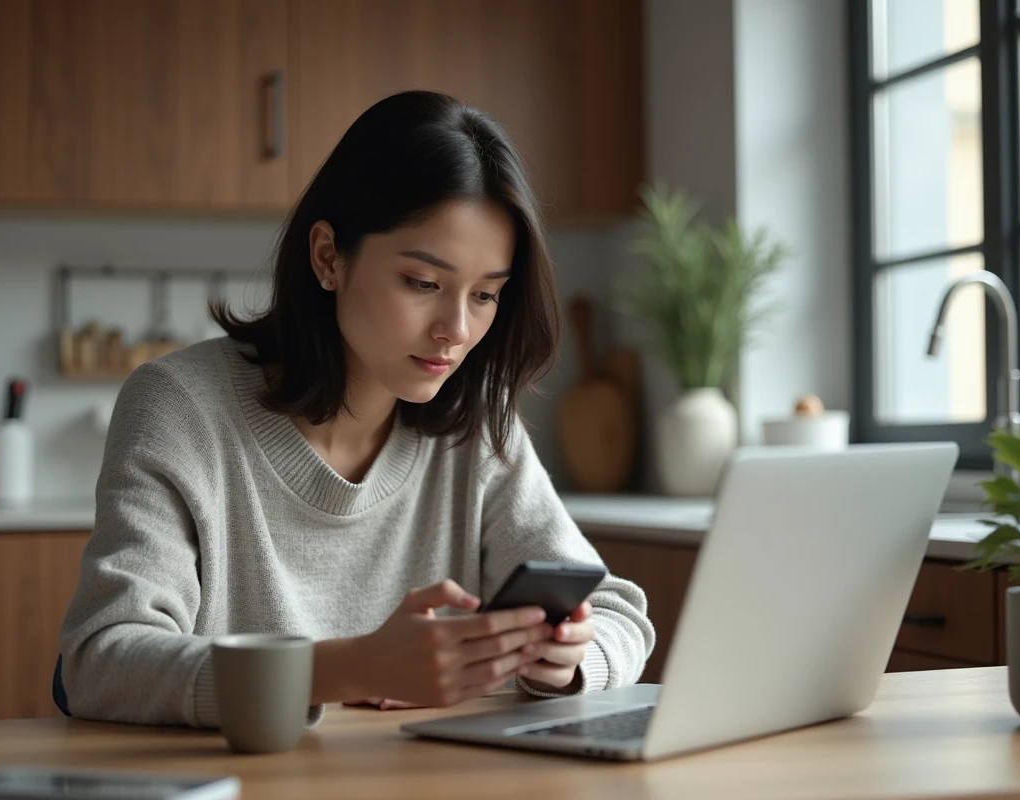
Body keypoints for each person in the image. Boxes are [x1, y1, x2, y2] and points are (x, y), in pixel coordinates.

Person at [58, 90, 655, 728]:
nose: (455, 328)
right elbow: (101, 661)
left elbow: (617, 613)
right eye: (423, 284)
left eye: (485, 295)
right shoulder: (180, 407)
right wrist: (348, 668)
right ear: (328, 257)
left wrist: (567, 661)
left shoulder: (476, 426)